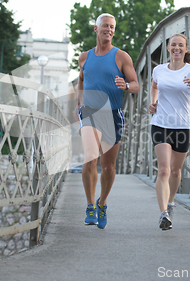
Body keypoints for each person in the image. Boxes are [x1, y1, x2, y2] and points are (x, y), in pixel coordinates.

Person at [74, 13, 138, 229]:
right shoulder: (84, 57)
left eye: (112, 27)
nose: (108, 30)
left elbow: (136, 85)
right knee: (89, 159)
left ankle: (102, 203)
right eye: (105, 26)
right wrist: (79, 103)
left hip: (113, 115)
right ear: (96, 29)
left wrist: (127, 87)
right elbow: (81, 81)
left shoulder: (121, 57)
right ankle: (90, 206)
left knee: (108, 166)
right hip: (90, 113)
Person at [148, 33, 190, 230]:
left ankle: (171, 201)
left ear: (185, 49)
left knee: (176, 171)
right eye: (173, 45)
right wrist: (153, 102)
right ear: (168, 48)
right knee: (164, 169)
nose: (177, 48)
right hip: (160, 124)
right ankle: (163, 214)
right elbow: (154, 86)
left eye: (180, 45)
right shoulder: (158, 70)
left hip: (183, 126)